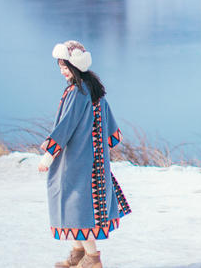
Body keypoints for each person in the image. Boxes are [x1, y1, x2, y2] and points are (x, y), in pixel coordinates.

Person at [38, 40, 131, 268]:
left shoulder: (77, 93)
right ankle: (78, 252)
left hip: (78, 161)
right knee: (76, 203)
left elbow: (65, 126)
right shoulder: (93, 90)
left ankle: (92, 258)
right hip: (93, 160)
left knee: (77, 207)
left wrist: (49, 155)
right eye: (60, 66)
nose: (62, 71)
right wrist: (102, 144)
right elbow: (112, 131)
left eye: (64, 66)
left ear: (75, 66)